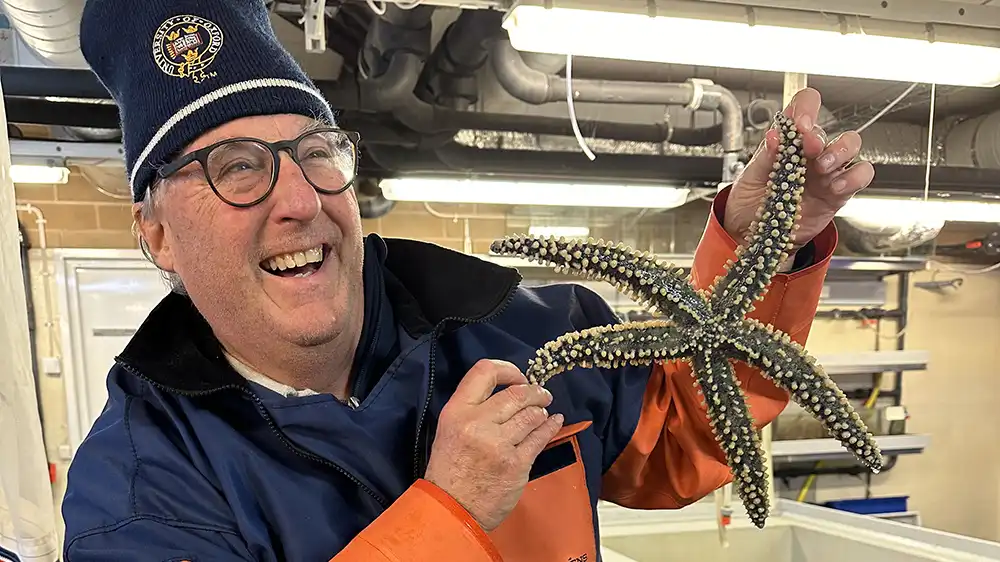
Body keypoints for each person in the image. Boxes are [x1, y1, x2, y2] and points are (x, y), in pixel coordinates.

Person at [60, 0, 874, 560]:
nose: (301, 200)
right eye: (238, 169)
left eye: (316, 154)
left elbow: (683, 432)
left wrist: (767, 242)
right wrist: (448, 517)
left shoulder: (520, 334)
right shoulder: (139, 489)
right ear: (157, 233)